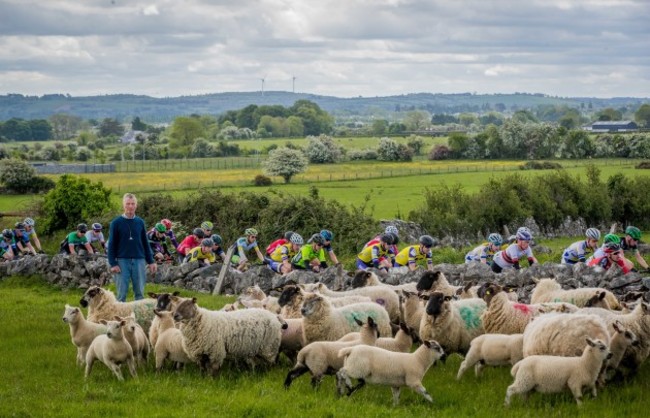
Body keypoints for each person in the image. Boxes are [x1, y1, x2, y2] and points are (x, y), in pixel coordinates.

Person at [107, 193, 157, 302]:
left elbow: (145, 242)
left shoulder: (140, 222)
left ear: (136, 205)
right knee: (122, 293)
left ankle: (138, 316)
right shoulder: (115, 223)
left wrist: (151, 261)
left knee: (139, 292)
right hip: (122, 261)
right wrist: (113, 263)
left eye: (132, 204)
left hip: (139, 260)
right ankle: (119, 318)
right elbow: (111, 244)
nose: (130, 206)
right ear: (123, 205)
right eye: (128, 204)